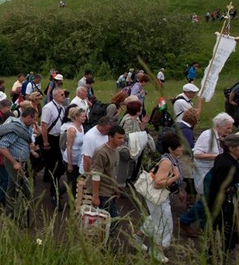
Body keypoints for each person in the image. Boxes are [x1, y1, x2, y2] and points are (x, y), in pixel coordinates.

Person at [180, 112, 235, 237]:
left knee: (210, 200)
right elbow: (197, 154)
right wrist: (219, 157)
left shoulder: (218, 137)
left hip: (212, 171)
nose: (230, 130)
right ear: (218, 126)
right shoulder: (208, 136)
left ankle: (203, 226)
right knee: (208, 200)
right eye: (228, 128)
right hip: (205, 172)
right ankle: (186, 220)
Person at [135, 132, 184, 263]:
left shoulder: (170, 159)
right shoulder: (167, 162)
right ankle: (156, 251)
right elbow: (158, 183)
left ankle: (137, 239)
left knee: (154, 219)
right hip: (159, 198)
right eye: (179, 146)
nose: (182, 148)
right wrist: (176, 177)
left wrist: (178, 190)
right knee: (164, 224)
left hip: (160, 198)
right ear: (170, 149)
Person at [0, 107, 38, 224]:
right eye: (33, 119)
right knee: (22, 189)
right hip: (14, 162)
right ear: (28, 117)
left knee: (11, 186)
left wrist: (30, 148)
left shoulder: (27, 127)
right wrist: (14, 163)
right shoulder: (15, 129)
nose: (35, 122)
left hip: (21, 162)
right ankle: (20, 217)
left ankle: (9, 213)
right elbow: (2, 147)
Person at [206, 134, 239, 263]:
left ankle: (214, 255)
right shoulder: (227, 164)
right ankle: (218, 257)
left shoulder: (223, 158)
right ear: (231, 148)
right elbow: (225, 187)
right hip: (224, 206)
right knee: (228, 235)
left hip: (219, 204)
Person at [90, 125, 126, 232]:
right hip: (102, 192)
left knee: (107, 220)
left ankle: (104, 241)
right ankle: (104, 244)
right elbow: (96, 175)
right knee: (113, 220)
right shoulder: (101, 152)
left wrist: (116, 187)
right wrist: (95, 196)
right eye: (119, 138)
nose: (122, 141)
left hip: (110, 190)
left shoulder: (115, 150)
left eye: (123, 138)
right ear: (110, 137)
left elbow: (112, 172)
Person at [40, 87, 66, 209]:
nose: (64, 96)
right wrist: (45, 141)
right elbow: (44, 125)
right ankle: (53, 192)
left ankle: (50, 181)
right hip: (49, 137)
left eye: (64, 95)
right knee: (52, 164)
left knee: (57, 164)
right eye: (61, 94)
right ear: (55, 96)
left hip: (58, 138)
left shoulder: (62, 107)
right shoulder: (48, 108)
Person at [62, 107, 86, 198]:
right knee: (71, 182)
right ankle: (59, 196)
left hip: (78, 158)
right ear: (76, 117)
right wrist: (70, 164)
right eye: (82, 116)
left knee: (75, 180)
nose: (85, 118)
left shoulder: (81, 126)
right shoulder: (72, 129)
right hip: (71, 158)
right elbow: (69, 147)